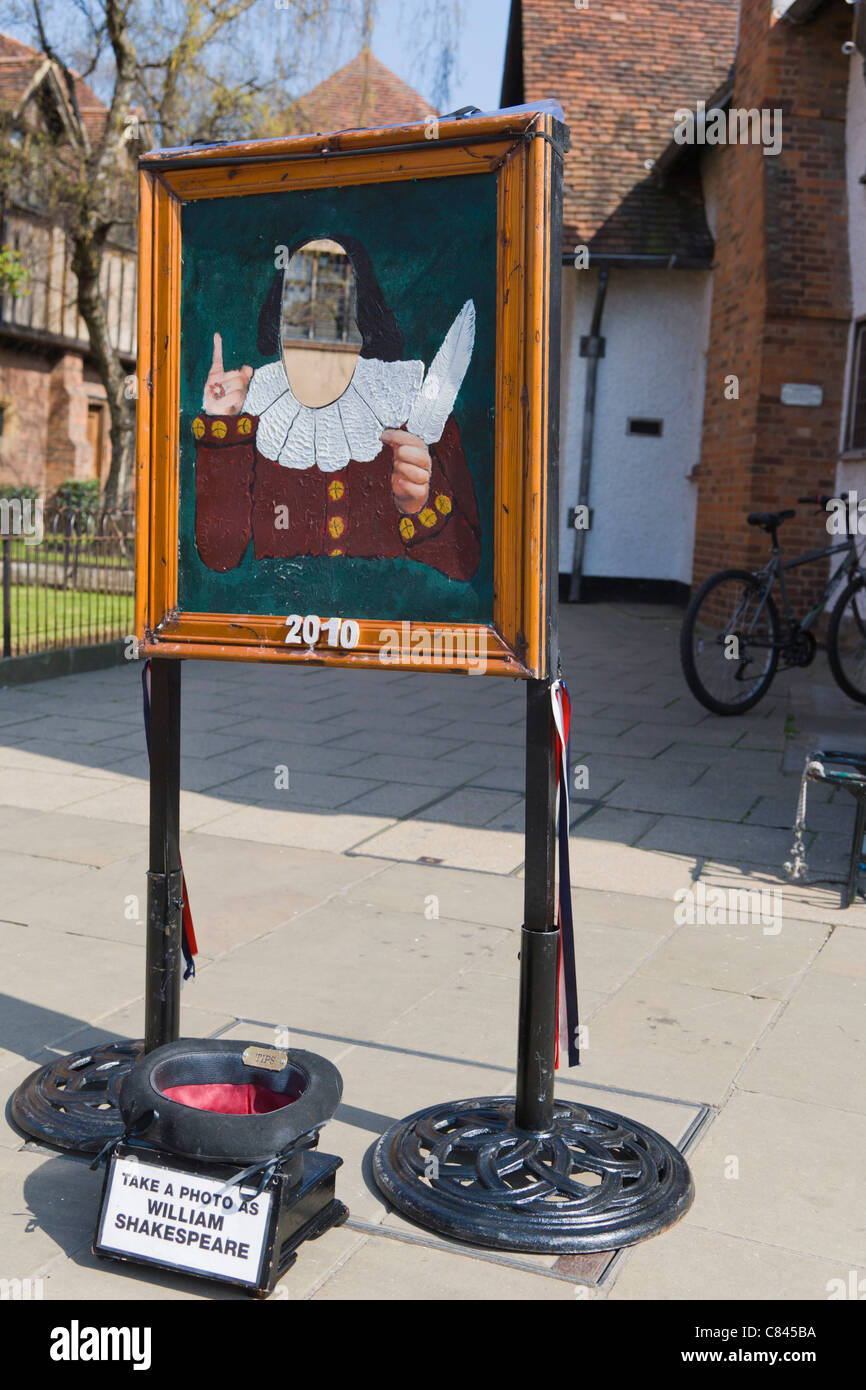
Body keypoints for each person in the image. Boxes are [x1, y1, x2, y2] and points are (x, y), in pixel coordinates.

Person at [192, 235, 481, 581]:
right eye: (299, 310)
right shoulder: (253, 419)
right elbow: (219, 556)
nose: (314, 334)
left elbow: (466, 566)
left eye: (332, 312)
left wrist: (420, 505)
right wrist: (222, 433)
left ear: (359, 327)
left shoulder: (408, 406)